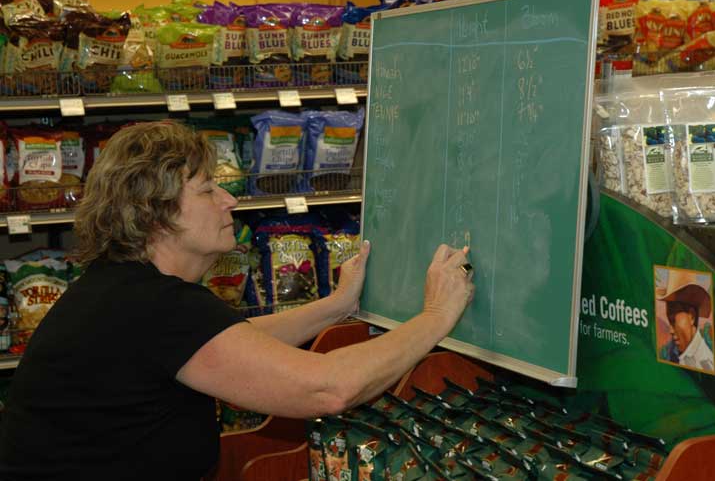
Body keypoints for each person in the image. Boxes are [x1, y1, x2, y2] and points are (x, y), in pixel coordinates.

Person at [0, 121, 475, 480]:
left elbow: (230, 345)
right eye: (207, 190)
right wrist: (436, 316)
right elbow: (328, 388)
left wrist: (336, 305)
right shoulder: (154, 306)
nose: (228, 202)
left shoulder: (125, 290)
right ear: (156, 214)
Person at [658, 270, 714, 372]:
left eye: (673, 321)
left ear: (691, 316)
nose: (670, 330)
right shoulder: (675, 355)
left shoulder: (705, 363)